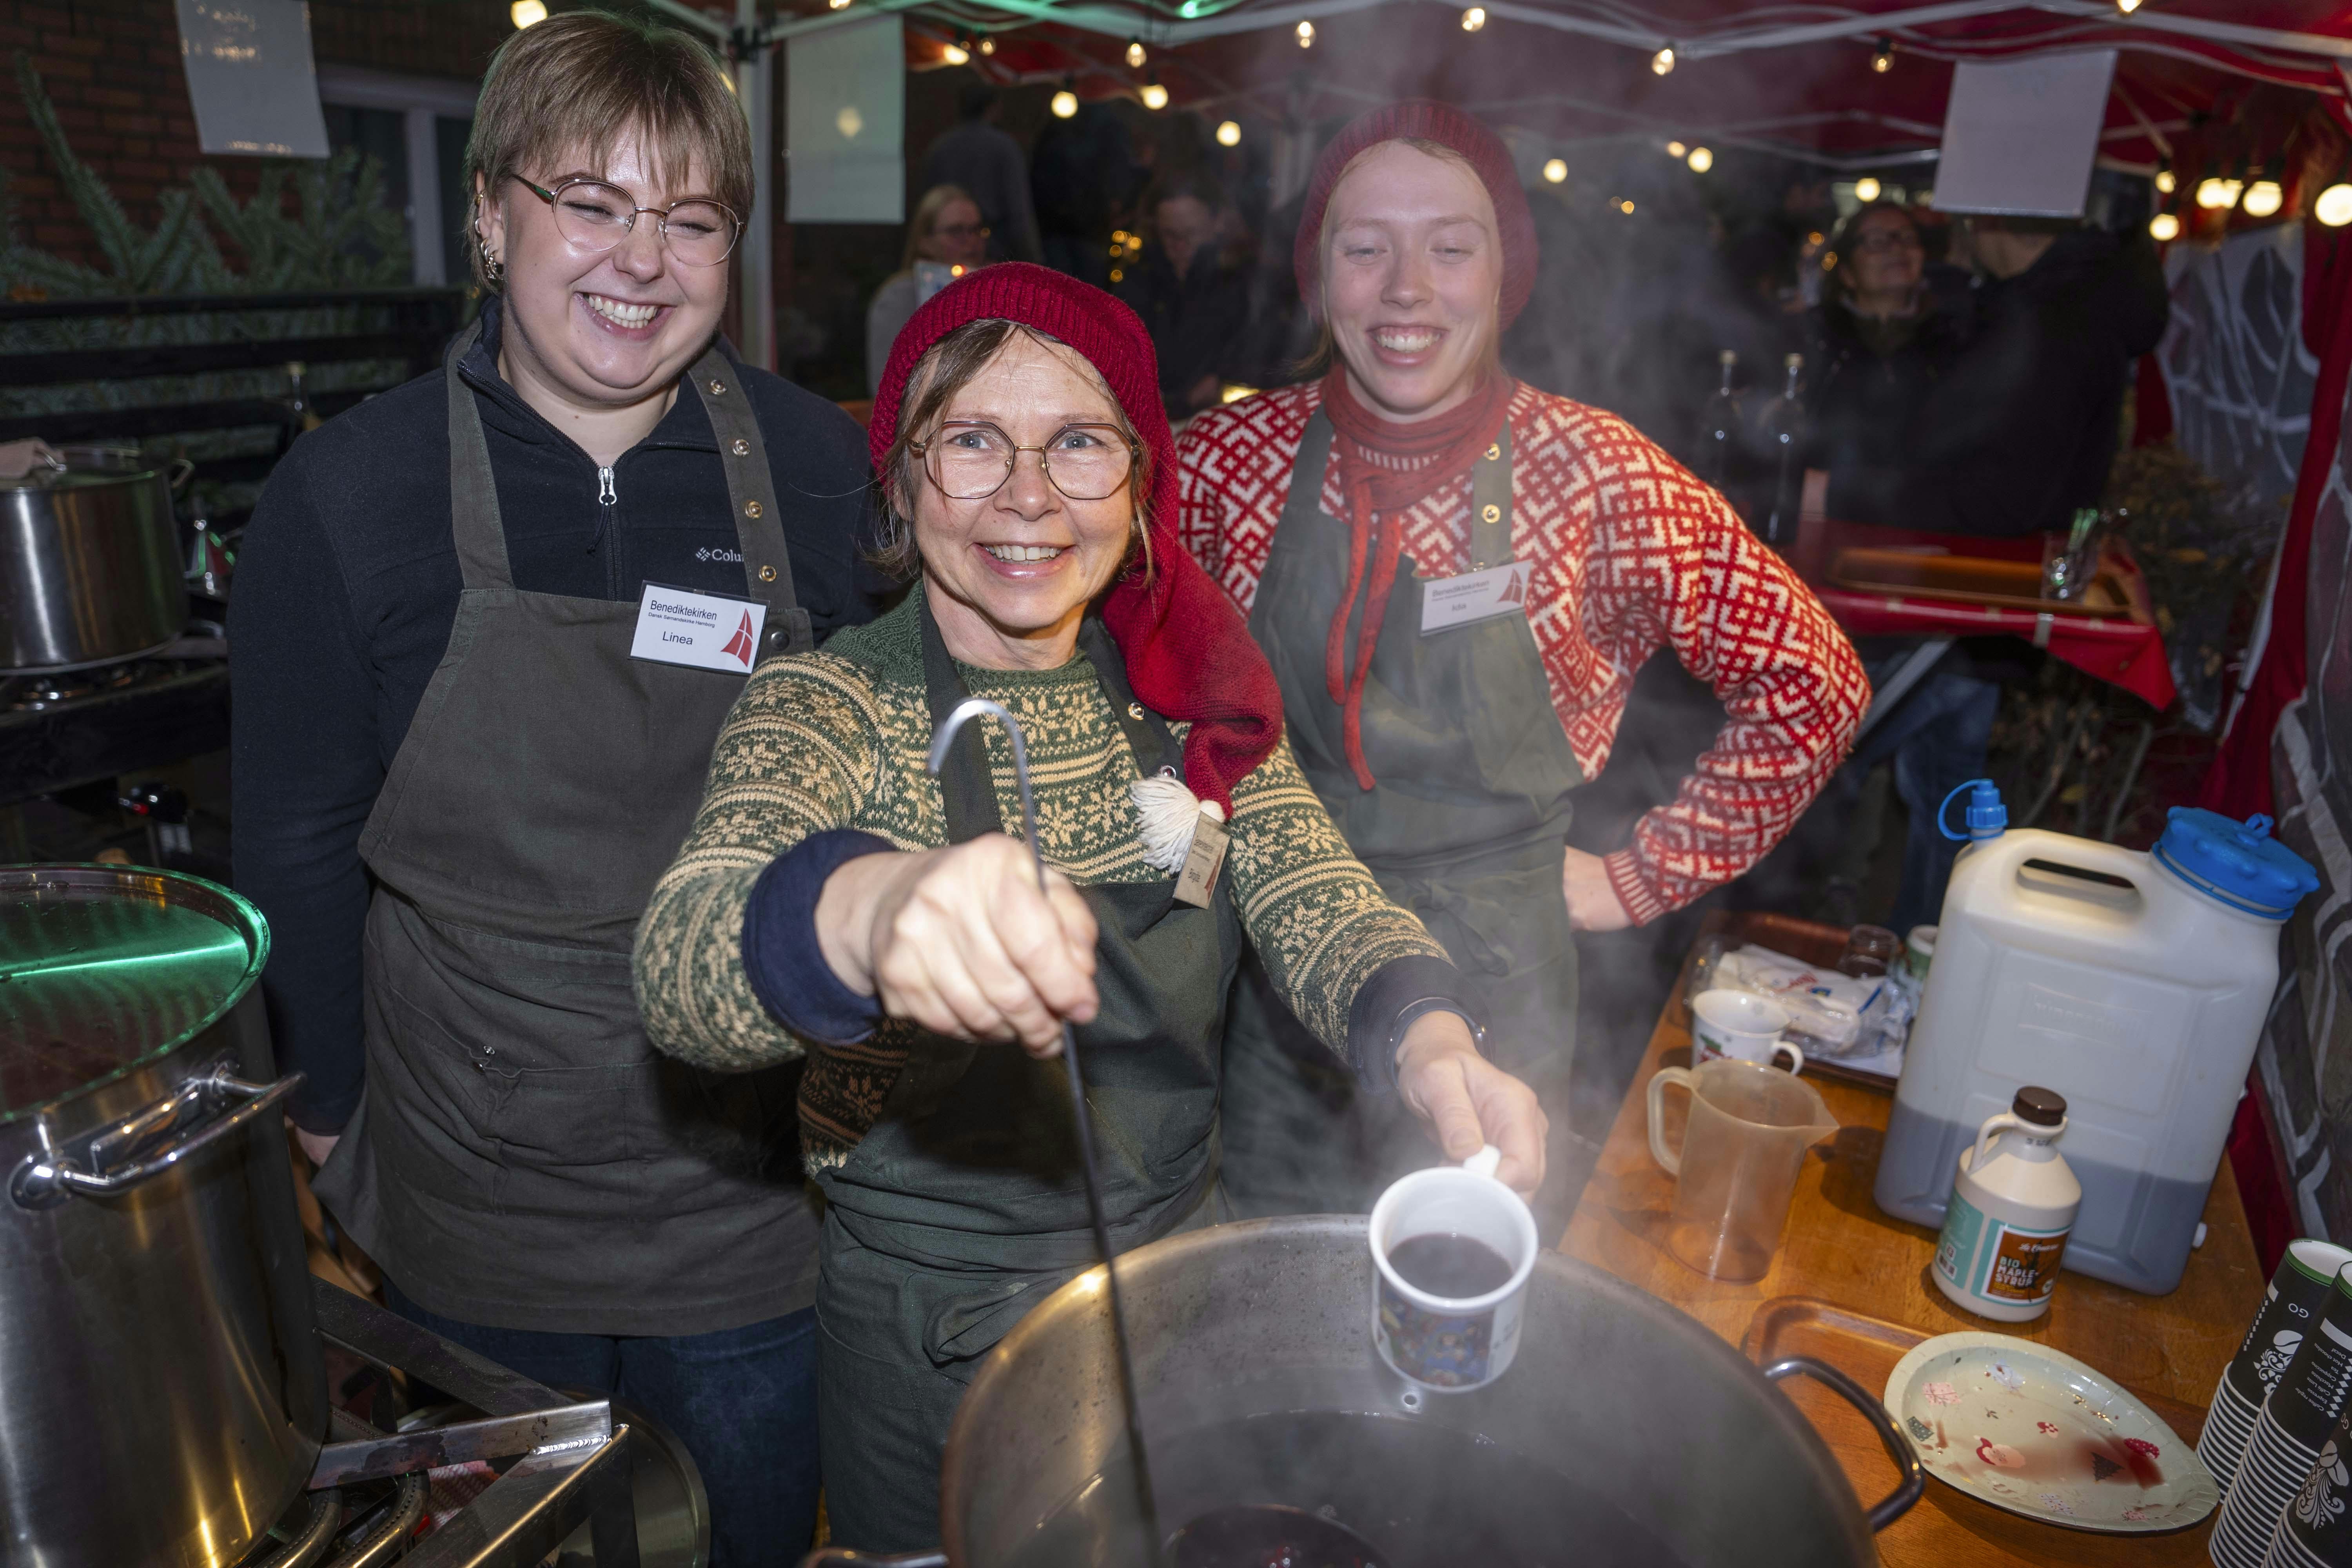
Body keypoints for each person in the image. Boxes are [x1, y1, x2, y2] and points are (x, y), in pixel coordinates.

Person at [633, 263, 1548, 1552]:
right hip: (930, 1331)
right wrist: (861, 912)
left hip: (1174, 1288)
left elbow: (1313, 884)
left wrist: (1433, 1037)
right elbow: (682, 964)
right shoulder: (830, 706)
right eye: (971, 443)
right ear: (901, 482)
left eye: (1077, 444)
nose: (1026, 496)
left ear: (1138, 483)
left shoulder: (1194, 696)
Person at [229, 15, 878, 1563]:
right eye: (593, 201)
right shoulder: (352, 492)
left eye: (692, 217)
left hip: (743, 1210)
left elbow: (879, 785)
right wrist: (327, 1116)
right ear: (489, 214)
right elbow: (297, 836)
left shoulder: (811, 467)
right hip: (472, 1202)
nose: (640, 261)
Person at [1177, 102, 1869, 1228]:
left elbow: (1814, 681)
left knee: (1465, 1288)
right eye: (1365, 248)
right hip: (1288, 972)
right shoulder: (1222, 461)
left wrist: (1639, 874)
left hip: (1499, 980)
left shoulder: (1599, 477)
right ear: (1319, 278)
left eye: (1452, 247)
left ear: (1506, 275)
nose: (1407, 289)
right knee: (1270, 1284)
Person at [1900, 213, 2168, 537]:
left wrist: (1845, 494)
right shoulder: (2065, 307)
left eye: (1969, 220)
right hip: (2028, 555)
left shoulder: (2051, 325)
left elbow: (2002, 499)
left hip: (2007, 563)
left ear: (1992, 221)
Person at [1803, 201, 1967, 527]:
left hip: (1925, 522)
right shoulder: (1810, 337)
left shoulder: (1956, 340)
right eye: (1878, 241)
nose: (1896, 249)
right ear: (1847, 272)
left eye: (1907, 238)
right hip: (1824, 518)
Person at [1116, 170, 1252, 420]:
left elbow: (1265, 350)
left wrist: (1222, 378)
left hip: (1218, 419)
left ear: (1217, 223)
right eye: (1170, 235)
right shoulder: (1142, 276)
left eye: (1191, 234)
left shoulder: (1244, 281)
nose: (1179, 246)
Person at [866, 183, 988, 396]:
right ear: (925, 241)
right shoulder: (899, 298)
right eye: (956, 231)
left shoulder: (997, 291)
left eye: (976, 230)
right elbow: (884, 387)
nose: (971, 241)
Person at [920, 80, 1042, 264]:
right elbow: (1019, 214)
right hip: (993, 253)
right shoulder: (1004, 148)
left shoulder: (940, 148)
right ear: (993, 107)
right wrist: (1034, 261)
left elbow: (926, 207)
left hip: (944, 253)